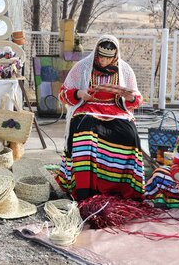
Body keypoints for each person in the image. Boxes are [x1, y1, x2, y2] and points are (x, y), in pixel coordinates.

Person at [56, 35, 144, 201]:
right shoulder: (82, 67)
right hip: (87, 108)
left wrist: (129, 97)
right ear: (96, 53)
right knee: (85, 132)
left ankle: (121, 188)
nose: (103, 61)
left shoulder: (124, 70)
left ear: (115, 56)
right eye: (100, 56)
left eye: (107, 58)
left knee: (129, 134)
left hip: (115, 110)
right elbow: (63, 94)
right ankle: (84, 190)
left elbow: (136, 99)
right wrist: (79, 93)